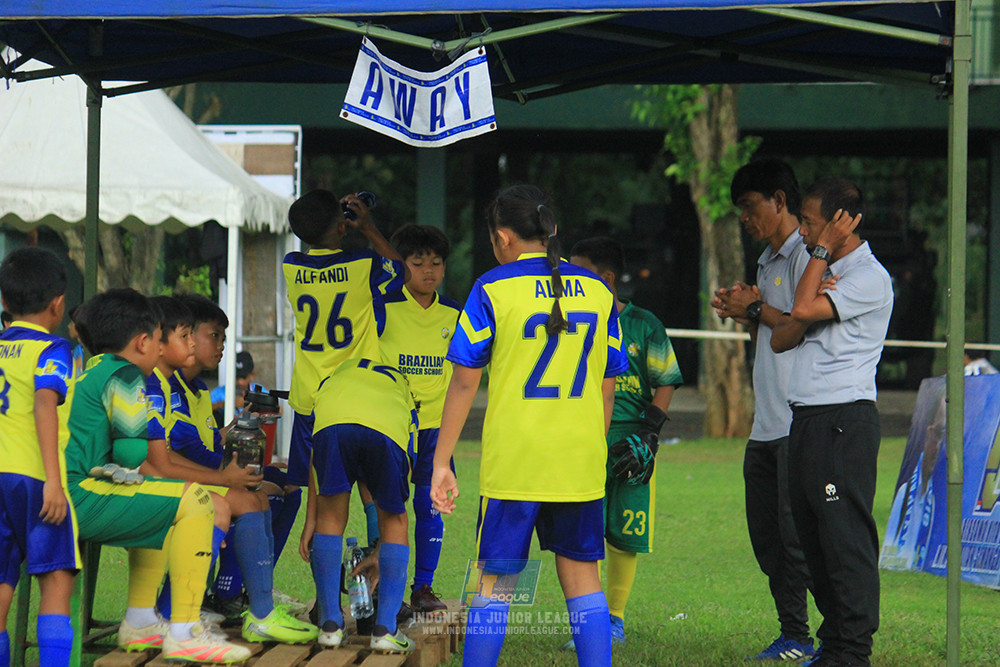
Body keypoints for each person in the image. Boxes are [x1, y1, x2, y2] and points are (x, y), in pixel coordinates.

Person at [430, 184, 630, 667]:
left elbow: (463, 383)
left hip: (516, 461)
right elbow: (608, 386)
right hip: (579, 460)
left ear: (502, 237)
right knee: (584, 580)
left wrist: (441, 461)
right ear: (551, 230)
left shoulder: (492, 288)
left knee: (495, 582)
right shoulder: (600, 293)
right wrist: (590, 449)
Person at [65, 288, 251, 664]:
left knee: (163, 498)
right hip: (80, 497)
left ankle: (141, 621)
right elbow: (132, 454)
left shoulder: (93, 370)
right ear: (144, 341)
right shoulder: (127, 376)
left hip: (73, 490)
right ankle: (184, 630)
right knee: (196, 501)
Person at [771, 177, 893, 667]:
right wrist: (815, 272)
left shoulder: (868, 276)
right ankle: (834, 645)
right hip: (806, 419)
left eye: (811, 223)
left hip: (844, 419)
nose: (802, 233)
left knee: (844, 539)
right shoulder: (819, 268)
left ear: (844, 223)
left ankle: (854, 650)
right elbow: (782, 336)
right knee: (812, 539)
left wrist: (818, 260)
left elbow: (799, 309)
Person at [711, 158, 815, 661]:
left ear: (779, 200)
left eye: (751, 208)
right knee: (768, 540)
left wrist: (755, 308)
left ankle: (826, 632)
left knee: (799, 541)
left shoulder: (807, 258)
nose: (746, 220)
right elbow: (770, 332)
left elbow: (800, 324)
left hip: (801, 418)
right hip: (765, 422)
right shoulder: (766, 260)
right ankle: (793, 633)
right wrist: (743, 309)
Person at [167, 294, 317, 644]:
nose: (220, 346)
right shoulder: (168, 389)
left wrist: (240, 423)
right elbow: (185, 456)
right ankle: (231, 593)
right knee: (256, 495)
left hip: (200, 475)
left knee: (288, 480)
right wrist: (231, 475)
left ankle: (252, 592)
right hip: (177, 484)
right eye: (212, 335)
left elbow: (206, 444)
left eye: (222, 337)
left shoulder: (198, 389)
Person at [564, 237, 682, 649]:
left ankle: (615, 618)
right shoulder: (572, 319)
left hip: (633, 442)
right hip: (586, 438)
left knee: (625, 532)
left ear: (606, 278)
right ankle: (591, 620)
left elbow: (666, 381)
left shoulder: (644, 324)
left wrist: (649, 433)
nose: (570, 280)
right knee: (585, 531)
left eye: (578, 272)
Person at [282, 189, 406, 495]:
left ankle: (291, 539)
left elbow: (316, 233)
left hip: (308, 394)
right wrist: (366, 226)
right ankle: (376, 538)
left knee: (308, 485)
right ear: (342, 227)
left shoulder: (292, 266)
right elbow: (400, 272)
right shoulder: (363, 265)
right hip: (354, 393)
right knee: (366, 477)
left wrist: (327, 218)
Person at [300, 357, 419, 652]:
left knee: (330, 519)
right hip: (385, 427)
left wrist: (310, 519)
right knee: (397, 522)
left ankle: (329, 625)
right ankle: (386, 630)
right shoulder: (403, 388)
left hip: (332, 421)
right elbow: (405, 471)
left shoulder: (335, 377)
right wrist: (383, 546)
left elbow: (317, 459)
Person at [0, 247, 78, 667]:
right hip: (34, 477)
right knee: (56, 579)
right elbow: (45, 404)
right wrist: (53, 480)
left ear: (4, 303)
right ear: (58, 303)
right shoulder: (53, 349)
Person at [377, 224, 461, 613]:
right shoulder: (383, 308)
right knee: (387, 508)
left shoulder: (455, 316)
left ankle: (423, 587)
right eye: (417, 262)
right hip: (390, 427)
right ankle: (382, 585)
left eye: (436, 263)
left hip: (435, 431)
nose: (428, 271)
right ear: (401, 265)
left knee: (431, 508)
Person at [210, 350, 256, 421]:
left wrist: (252, 405)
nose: (240, 382)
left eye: (243, 377)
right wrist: (225, 404)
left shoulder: (258, 390)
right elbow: (202, 409)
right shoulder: (220, 392)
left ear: (252, 375)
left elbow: (278, 410)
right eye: (237, 377)